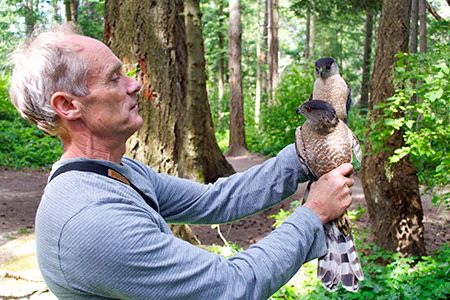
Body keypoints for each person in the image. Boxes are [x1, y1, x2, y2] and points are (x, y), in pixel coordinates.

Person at [9, 25, 354, 299]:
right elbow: (231, 287)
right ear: (68, 105)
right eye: (114, 78)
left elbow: (214, 200)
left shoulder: (113, 172)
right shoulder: (90, 220)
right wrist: (312, 214)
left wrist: (304, 154)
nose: (135, 84)